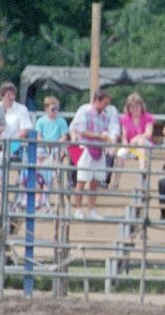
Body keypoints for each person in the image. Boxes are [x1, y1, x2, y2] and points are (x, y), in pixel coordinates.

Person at [69, 88, 121, 219]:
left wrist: (106, 137)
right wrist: (100, 136)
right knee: (81, 180)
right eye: (104, 103)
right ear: (97, 100)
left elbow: (106, 130)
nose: (106, 106)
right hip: (86, 148)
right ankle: (78, 209)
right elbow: (81, 131)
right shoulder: (85, 112)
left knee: (95, 181)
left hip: (98, 149)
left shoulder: (104, 116)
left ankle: (91, 210)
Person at [32, 96, 69, 210]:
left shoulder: (61, 121)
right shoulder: (41, 121)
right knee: (39, 174)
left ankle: (48, 199)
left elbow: (64, 136)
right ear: (46, 109)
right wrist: (46, 144)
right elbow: (38, 136)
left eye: (57, 109)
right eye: (53, 109)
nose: (55, 112)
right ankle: (38, 199)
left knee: (53, 174)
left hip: (55, 149)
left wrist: (55, 144)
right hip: (43, 149)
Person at [117, 91, 158, 180]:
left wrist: (136, 138)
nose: (134, 109)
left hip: (147, 147)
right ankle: (116, 182)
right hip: (132, 147)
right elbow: (124, 135)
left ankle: (142, 168)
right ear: (128, 108)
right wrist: (125, 144)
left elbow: (148, 133)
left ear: (141, 106)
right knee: (120, 153)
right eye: (132, 107)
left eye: (137, 106)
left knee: (141, 141)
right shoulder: (124, 118)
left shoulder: (148, 117)